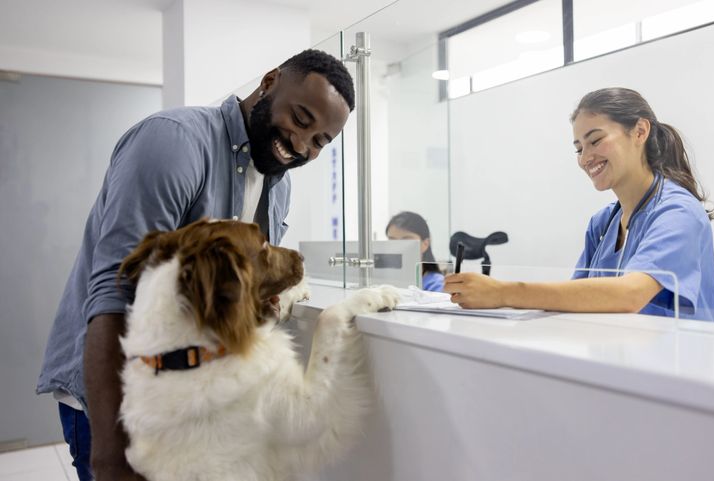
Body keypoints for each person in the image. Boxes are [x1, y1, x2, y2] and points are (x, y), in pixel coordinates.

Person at [35, 49, 355, 481]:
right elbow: (115, 291)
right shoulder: (173, 142)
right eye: (300, 119)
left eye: (320, 141)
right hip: (117, 400)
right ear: (269, 82)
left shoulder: (279, 187)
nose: (302, 145)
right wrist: (113, 453)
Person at [444, 87, 714, 322]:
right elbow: (576, 299)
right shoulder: (602, 225)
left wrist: (502, 293)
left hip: (680, 373)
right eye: (579, 149)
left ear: (640, 131)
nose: (586, 157)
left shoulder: (678, 213)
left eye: (596, 141)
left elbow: (629, 295)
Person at [386, 211, 445, 292]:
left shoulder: (437, 285)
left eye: (406, 240)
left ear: (425, 244)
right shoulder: (383, 282)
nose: (398, 247)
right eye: (392, 240)